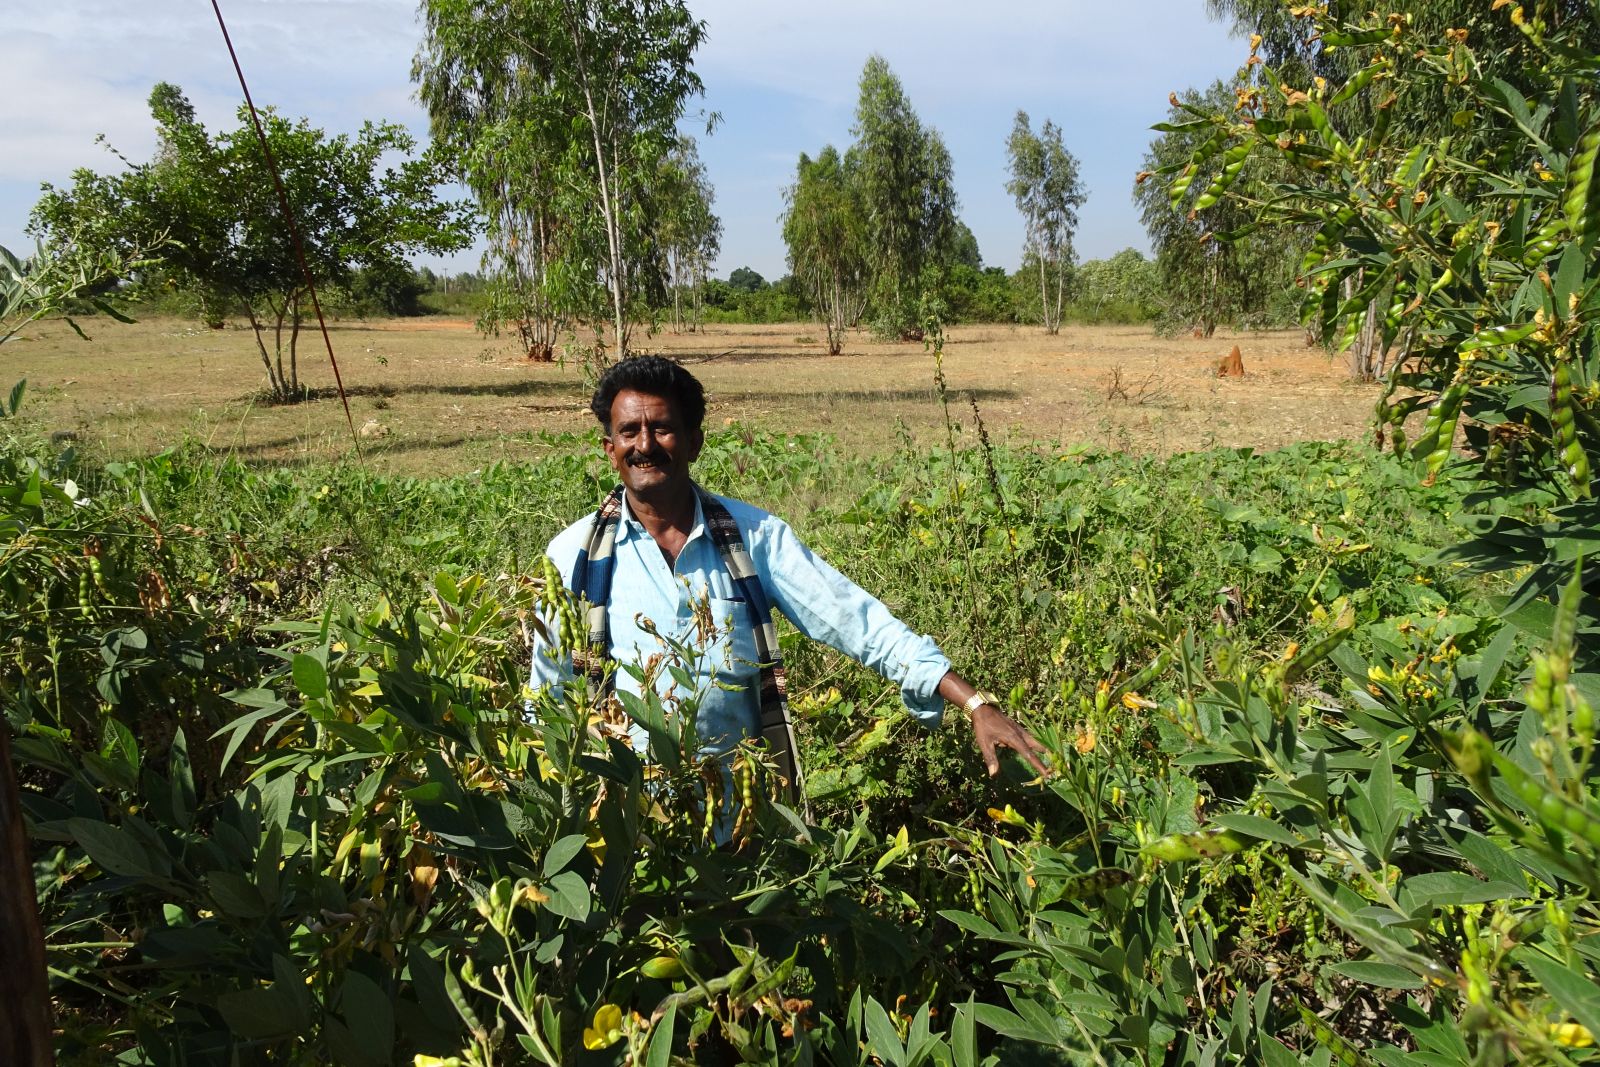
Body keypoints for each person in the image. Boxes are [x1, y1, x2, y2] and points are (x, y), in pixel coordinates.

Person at [528, 355, 1049, 801]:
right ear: (609, 449)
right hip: (622, 809)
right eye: (629, 431)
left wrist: (974, 702)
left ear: (694, 442)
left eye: (662, 428)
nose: (646, 444)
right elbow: (549, 691)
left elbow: (853, 618)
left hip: (743, 806)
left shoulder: (755, 538)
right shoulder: (573, 555)